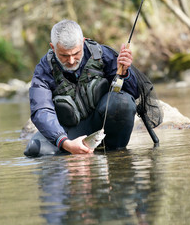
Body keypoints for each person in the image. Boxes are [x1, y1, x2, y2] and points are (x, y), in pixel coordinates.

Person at [24, 19, 139, 157]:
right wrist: (65, 143)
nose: (71, 61)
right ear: (53, 47)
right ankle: (73, 158)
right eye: (64, 55)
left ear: (83, 42)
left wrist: (126, 72)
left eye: (76, 53)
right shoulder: (44, 70)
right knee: (35, 150)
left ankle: (115, 154)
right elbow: (41, 110)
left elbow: (134, 93)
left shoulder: (103, 54)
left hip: (102, 125)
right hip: (69, 131)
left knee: (123, 103)